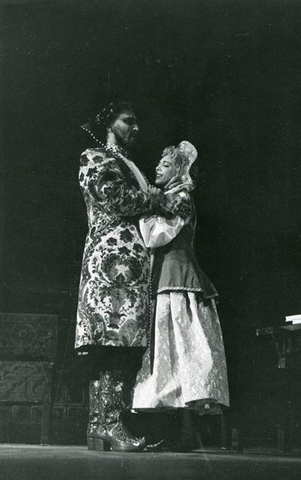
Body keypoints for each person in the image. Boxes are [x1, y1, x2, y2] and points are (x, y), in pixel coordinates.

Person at [75, 101, 180, 452]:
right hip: (110, 262)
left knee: (121, 344)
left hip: (129, 262)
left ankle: (103, 424)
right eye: (128, 121)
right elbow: (114, 197)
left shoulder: (128, 163)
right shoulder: (95, 156)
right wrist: (155, 200)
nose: (135, 128)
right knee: (113, 344)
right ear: (109, 122)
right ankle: (107, 424)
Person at [132, 141, 230, 450]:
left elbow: (155, 236)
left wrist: (149, 207)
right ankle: (172, 429)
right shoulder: (167, 199)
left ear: (180, 172)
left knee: (181, 350)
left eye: (166, 164)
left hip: (178, 282)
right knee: (168, 354)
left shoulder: (180, 199)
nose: (158, 167)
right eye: (159, 162)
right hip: (163, 280)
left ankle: (183, 431)